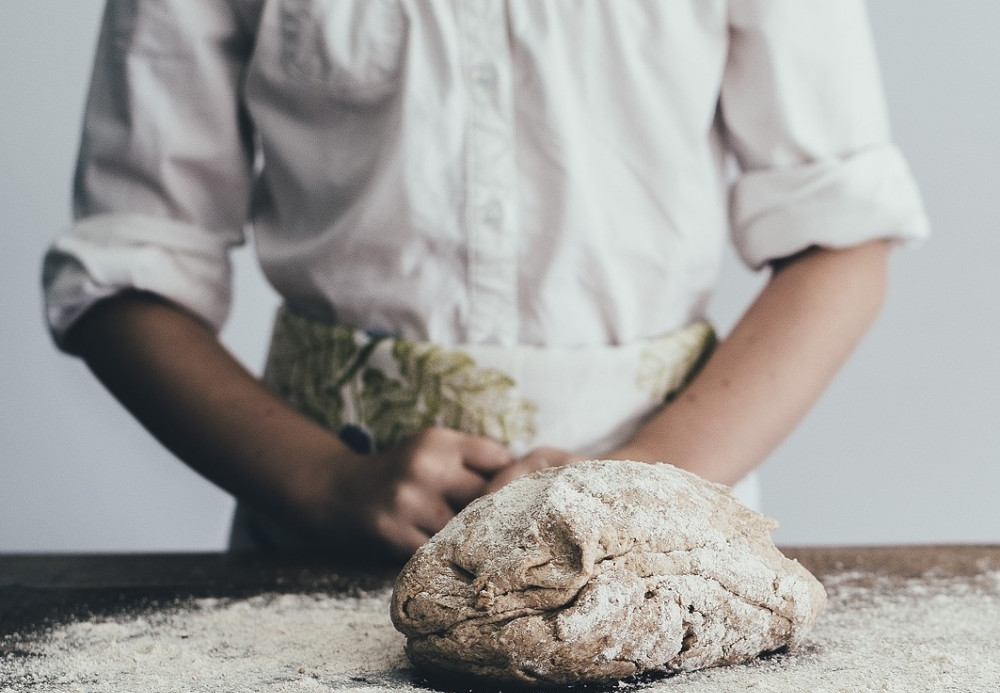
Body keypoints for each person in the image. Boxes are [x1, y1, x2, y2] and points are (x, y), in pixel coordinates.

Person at [43, 1, 929, 560]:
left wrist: (635, 487)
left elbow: (840, 245)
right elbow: (126, 272)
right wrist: (320, 483)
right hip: (321, 547)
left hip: (663, 546)